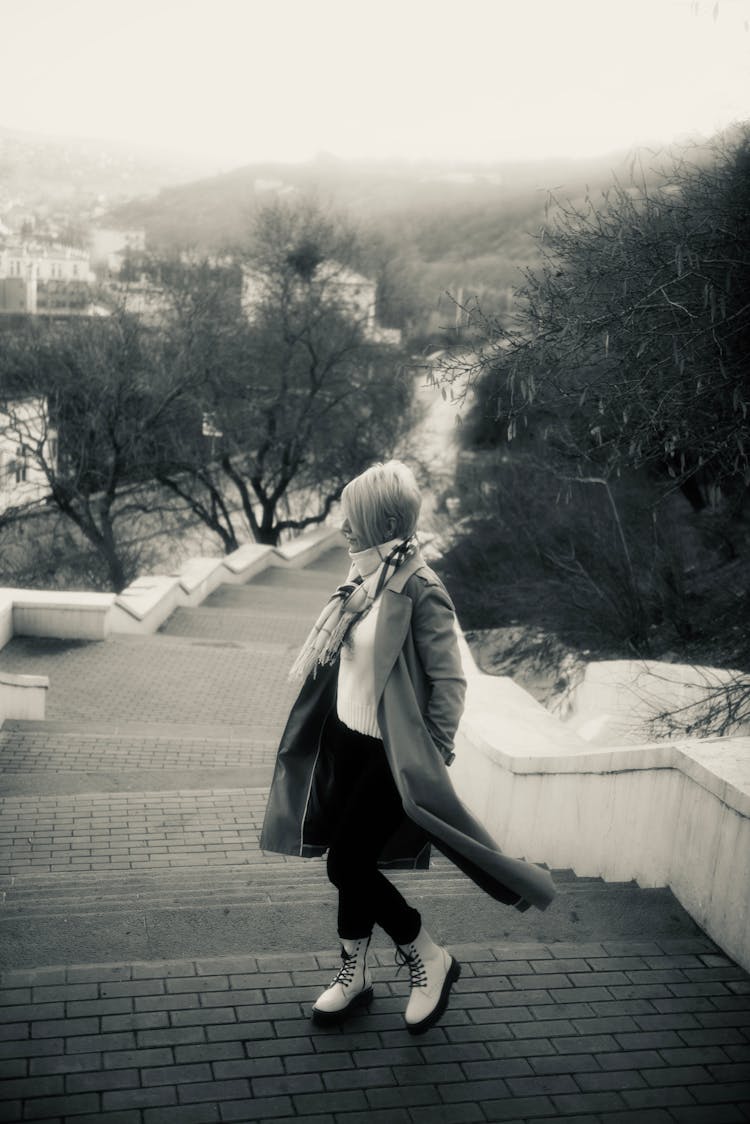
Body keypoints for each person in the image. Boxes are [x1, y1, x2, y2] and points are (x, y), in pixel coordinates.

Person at [260, 460, 556, 1035]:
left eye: (354, 518)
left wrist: (431, 754)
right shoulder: (363, 578)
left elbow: (449, 683)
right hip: (346, 740)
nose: (344, 527)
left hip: (389, 757)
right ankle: (355, 975)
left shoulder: (420, 587)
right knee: (352, 865)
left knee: (346, 862)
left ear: (383, 520)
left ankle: (428, 955)